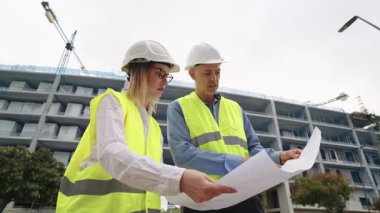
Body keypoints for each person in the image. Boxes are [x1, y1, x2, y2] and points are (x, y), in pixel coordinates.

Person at [56, 40, 236, 213]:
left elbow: (151, 179)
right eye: (160, 74)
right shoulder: (112, 102)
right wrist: (180, 179)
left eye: (167, 76)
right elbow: (112, 154)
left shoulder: (155, 128)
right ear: (138, 71)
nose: (165, 82)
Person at [167, 42, 302, 213]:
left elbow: (254, 148)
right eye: (207, 73)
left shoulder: (235, 108)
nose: (214, 79)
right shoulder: (178, 108)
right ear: (192, 74)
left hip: (245, 196)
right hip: (204, 200)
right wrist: (238, 163)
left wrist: (279, 157)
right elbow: (183, 156)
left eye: (217, 72)